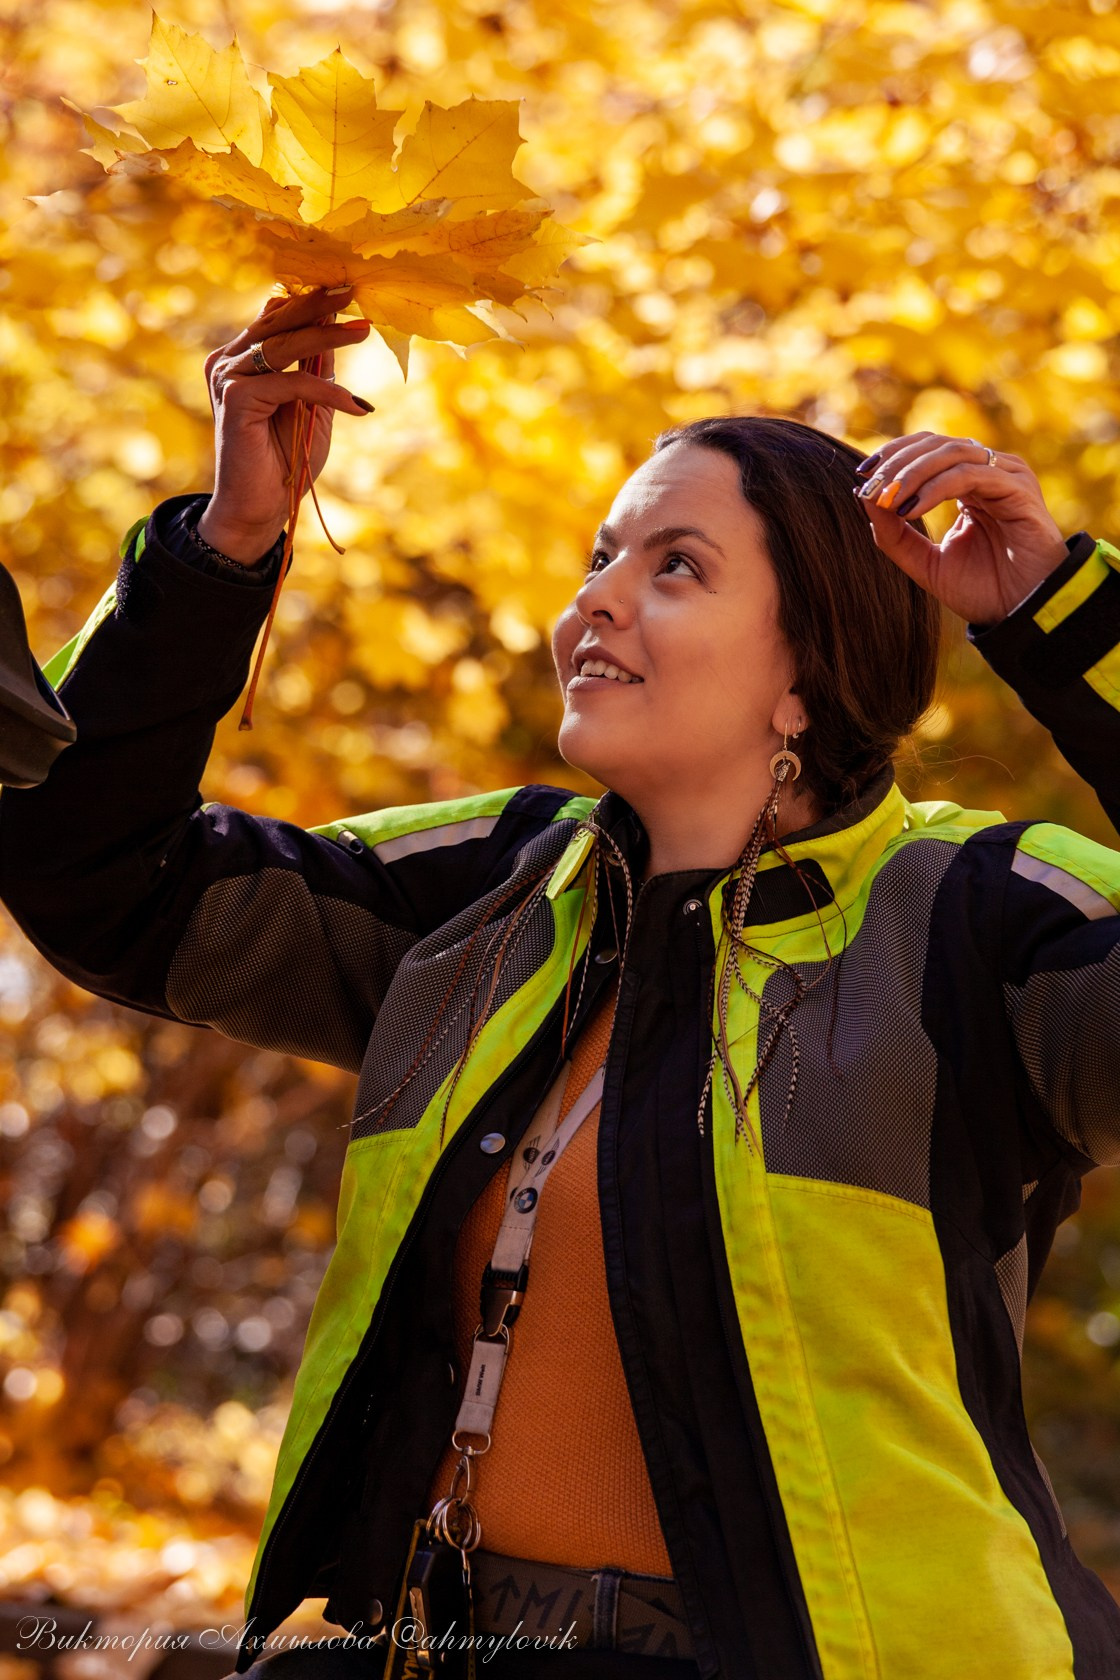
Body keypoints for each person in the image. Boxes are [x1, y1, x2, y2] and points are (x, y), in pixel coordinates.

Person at [1, 282, 1119, 1680]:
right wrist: (228, 546)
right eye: (600, 556)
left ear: (806, 672)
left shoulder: (980, 919)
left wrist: (1063, 617)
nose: (592, 601)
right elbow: (92, 871)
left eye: (677, 568)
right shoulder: (495, 887)